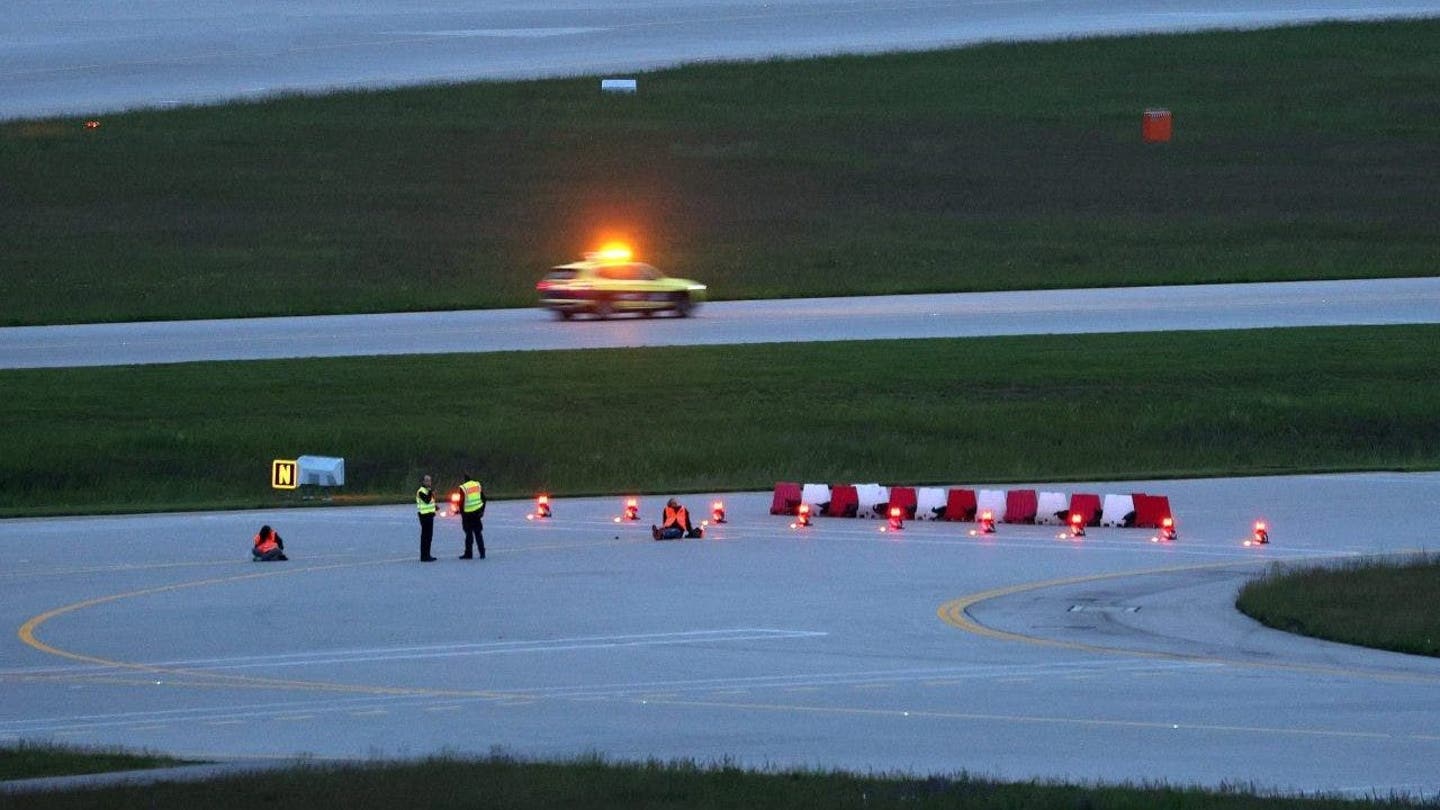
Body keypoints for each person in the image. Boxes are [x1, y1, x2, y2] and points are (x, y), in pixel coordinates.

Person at [458, 471, 486, 559]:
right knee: (478, 534)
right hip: (477, 513)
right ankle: (482, 553)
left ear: (464, 480)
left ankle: (468, 554)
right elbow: (484, 499)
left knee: (469, 534)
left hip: (468, 515)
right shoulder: (477, 485)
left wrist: (461, 513)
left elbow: (461, 502)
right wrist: (482, 510)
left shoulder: (463, 488)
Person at [416, 473, 437, 562]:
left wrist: (435, 507)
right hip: (424, 516)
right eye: (427, 481)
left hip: (430, 515)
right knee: (425, 537)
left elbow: (430, 502)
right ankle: (424, 556)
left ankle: (427, 554)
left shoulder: (428, 491)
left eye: (430, 480)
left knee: (429, 536)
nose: (429, 482)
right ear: (423, 482)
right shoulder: (421, 491)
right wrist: (431, 493)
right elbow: (427, 501)